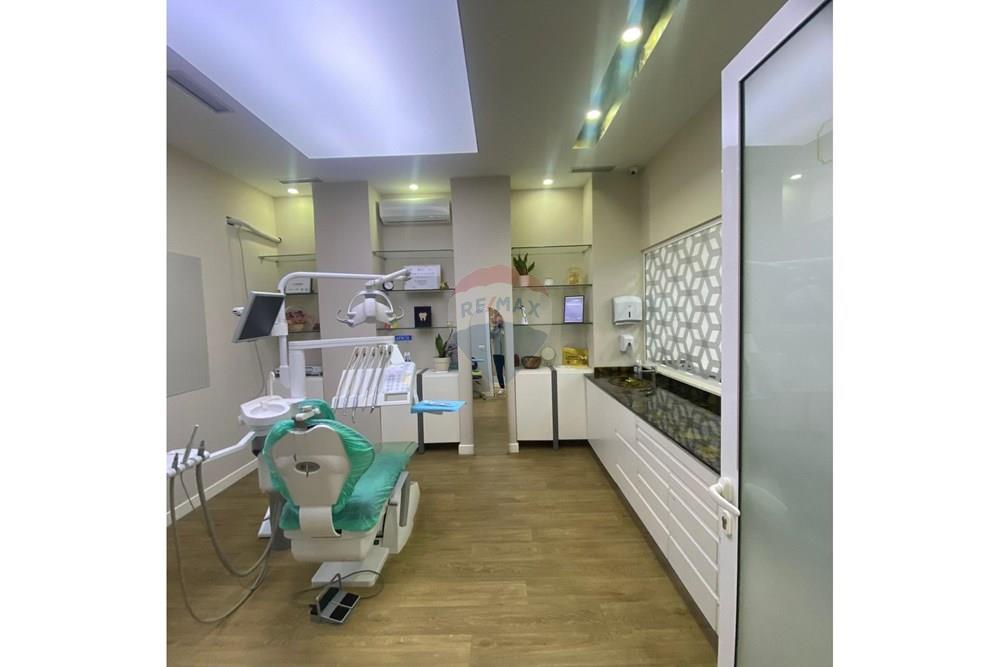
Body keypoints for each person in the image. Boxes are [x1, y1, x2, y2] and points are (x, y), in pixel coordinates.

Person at [489, 307, 506, 394]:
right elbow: (490, 336)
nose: (498, 320)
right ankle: (502, 387)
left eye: (500, 318)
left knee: (508, 370)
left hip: (506, 353)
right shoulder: (493, 329)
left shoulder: (506, 328)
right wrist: (494, 326)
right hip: (497, 353)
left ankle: (510, 385)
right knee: (499, 371)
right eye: (496, 318)